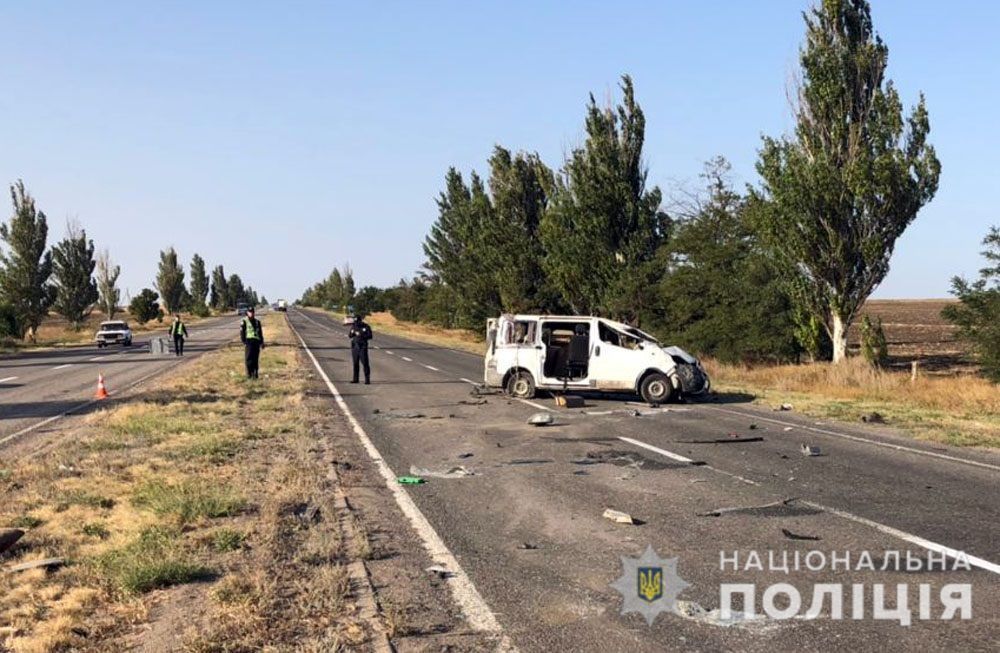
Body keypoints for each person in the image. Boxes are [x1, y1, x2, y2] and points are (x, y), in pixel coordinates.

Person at [240, 306, 264, 379]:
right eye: (250, 312)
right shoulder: (244, 321)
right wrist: (244, 341)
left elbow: (260, 333)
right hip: (249, 341)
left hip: (256, 342)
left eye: (252, 312)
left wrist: (262, 342)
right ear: (247, 313)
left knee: (255, 359)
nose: (251, 313)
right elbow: (242, 332)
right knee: (248, 359)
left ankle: (255, 373)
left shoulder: (257, 322)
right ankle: (249, 374)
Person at [348, 314, 373, 384]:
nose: (356, 323)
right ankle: (355, 379)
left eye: (357, 321)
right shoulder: (353, 326)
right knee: (355, 363)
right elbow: (350, 335)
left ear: (360, 320)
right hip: (355, 347)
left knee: (365, 363)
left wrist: (361, 334)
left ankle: (367, 380)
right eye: (355, 321)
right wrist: (352, 333)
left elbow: (370, 336)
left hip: (362, 347)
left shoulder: (366, 326)